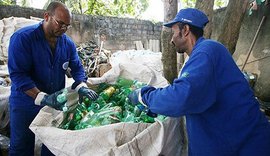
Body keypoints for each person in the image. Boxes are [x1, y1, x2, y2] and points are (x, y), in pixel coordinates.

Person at [128, 8, 270, 156]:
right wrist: (155, 107)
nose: (171, 40)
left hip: (242, 145)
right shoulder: (205, 52)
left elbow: (182, 97)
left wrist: (143, 96)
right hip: (229, 140)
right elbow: (195, 94)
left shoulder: (206, 51)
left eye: (174, 32)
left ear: (186, 30)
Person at [8, 2, 98, 156]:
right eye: (60, 23)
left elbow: (77, 68)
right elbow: (18, 74)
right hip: (25, 103)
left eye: (67, 26)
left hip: (55, 103)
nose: (63, 29)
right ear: (46, 16)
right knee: (21, 147)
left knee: (53, 146)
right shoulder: (23, 38)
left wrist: (81, 85)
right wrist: (42, 98)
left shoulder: (67, 44)